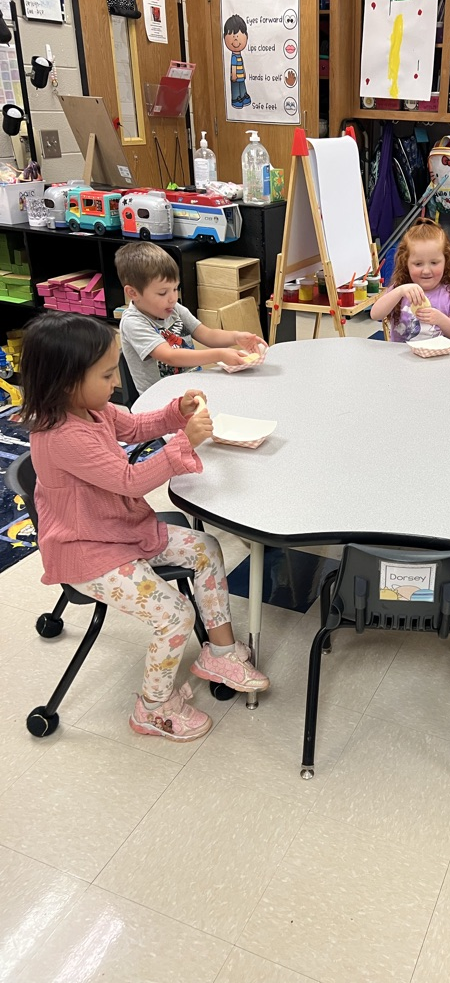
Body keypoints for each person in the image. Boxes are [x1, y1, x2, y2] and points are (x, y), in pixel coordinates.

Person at [21, 312, 270, 742]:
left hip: (119, 529)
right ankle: (152, 708)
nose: (115, 382)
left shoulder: (91, 410)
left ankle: (221, 654)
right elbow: (130, 481)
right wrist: (184, 442)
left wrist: (177, 412)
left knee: (205, 547)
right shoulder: (62, 435)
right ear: (66, 382)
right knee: (175, 616)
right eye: (105, 374)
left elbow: (136, 426)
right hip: (88, 552)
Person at [115, 242, 265, 395]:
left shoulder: (174, 309)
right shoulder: (133, 322)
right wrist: (219, 354)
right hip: (161, 401)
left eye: (175, 289)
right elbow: (170, 357)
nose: (172, 298)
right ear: (133, 293)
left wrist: (236, 337)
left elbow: (207, 334)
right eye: (162, 293)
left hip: (191, 388)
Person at [370, 218, 450, 344]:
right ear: (406, 263)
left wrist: (440, 319)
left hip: (436, 360)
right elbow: (375, 314)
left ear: (446, 261)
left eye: (434, 262)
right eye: (418, 264)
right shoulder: (400, 290)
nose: (426, 271)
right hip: (400, 360)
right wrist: (399, 291)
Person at [223, 14, 251, 109]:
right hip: (235, 77)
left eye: (238, 36)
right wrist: (234, 75)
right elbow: (233, 66)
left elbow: (241, 65)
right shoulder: (234, 56)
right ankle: (235, 99)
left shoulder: (239, 55)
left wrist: (244, 73)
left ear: (246, 36)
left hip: (241, 76)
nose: (235, 39)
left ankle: (243, 96)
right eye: (232, 36)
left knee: (242, 86)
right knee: (235, 87)